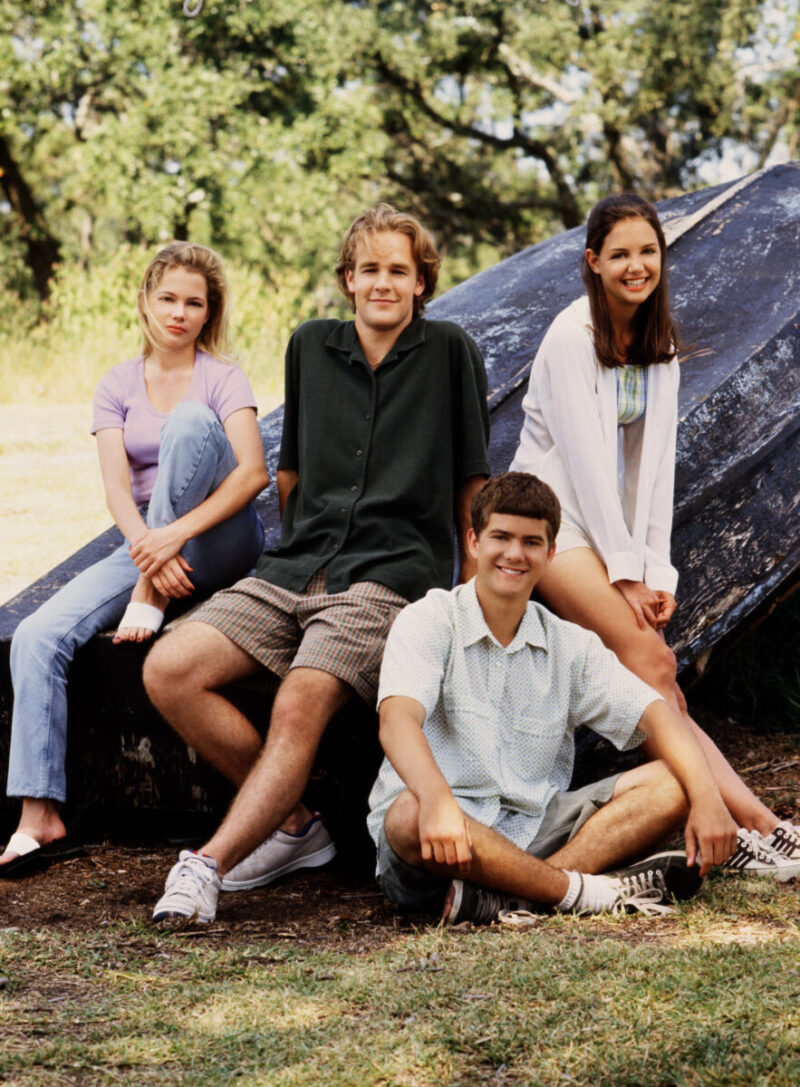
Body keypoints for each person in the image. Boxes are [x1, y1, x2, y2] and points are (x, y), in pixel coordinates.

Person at [145, 203, 491, 924]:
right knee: (169, 668)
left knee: (300, 700)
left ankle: (206, 865)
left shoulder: (449, 350)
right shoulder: (309, 345)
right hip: (295, 566)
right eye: (369, 270)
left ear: (421, 281)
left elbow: (471, 480)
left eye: (398, 270)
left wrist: (471, 589)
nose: (383, 283)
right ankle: (295, 823)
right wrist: (297, 553)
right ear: (347, 279)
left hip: (387, 574)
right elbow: (290, 474)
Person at [510, 193, 800, 879]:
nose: (636, 265)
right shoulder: (571, 335)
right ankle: (749, 825)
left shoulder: (656, 341)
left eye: (648, 251)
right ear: (593, 261)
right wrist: (623, 573)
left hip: (600, 525)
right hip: (547, 520)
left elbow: (651, 468)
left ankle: (753, 827)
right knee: (655, 666)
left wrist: (654, 571)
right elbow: (584, 465)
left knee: (655, 678)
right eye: (620, 254)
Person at [0, 242, 269, 877]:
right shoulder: (117, 384)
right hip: (150, 541)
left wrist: (172, 539)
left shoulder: (221, 377)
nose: (179, 313)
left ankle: (151, 594)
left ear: (209, 313)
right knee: (37, 635)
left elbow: (252, 473)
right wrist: (152, 546)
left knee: (188, 422)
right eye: (168, 298)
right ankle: (40, 814)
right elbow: (118, 491)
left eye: (194, 303)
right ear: (145, 302)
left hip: (220, 535)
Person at [368, 473, 740, 924]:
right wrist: (438, 800)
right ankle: (580, 892)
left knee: (674, 782)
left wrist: (707, 797)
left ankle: (518, 900)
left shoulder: (569, 644)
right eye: (501, 537)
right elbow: (397, 722)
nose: (514, 553)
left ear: (550, 554)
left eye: (531, 542)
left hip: (536, 830)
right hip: (442, 837)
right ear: (473, 542)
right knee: (407, 813)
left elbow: (657, 714)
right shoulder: (428, 619)